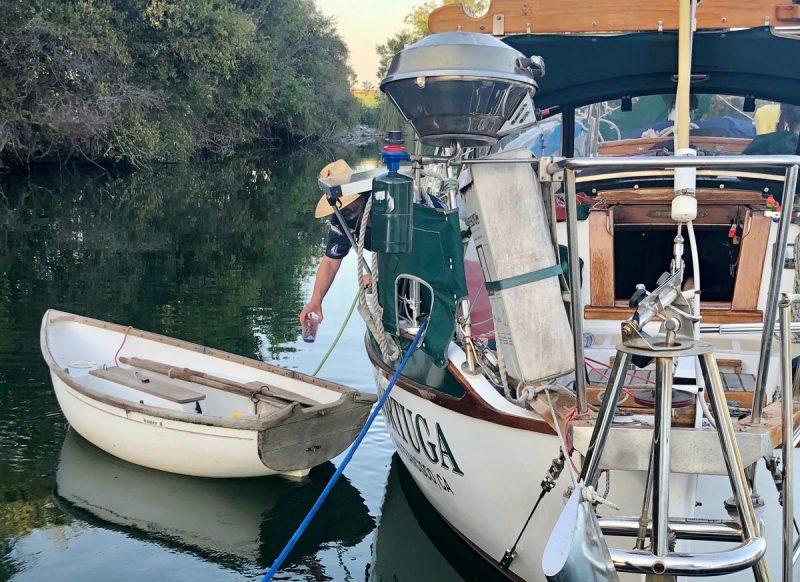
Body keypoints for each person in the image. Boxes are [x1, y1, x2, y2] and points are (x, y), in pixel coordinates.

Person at [298, 160, 371, 327]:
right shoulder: (343, 216)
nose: (345, 207)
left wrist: (380, 275)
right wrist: (316, 301)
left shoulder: (382, 199)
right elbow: (330, 262)